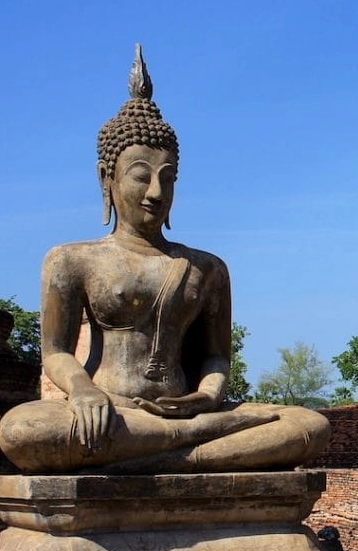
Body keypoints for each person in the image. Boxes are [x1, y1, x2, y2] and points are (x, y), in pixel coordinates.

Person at [0, 46, 329, 473]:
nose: (156, 192)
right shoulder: (71, 260)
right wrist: (82, 389)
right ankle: (192, 448)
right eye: (141, 176)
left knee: (310, 425)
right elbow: (56, 353)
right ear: (107, 177)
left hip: (188, 413)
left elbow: (215, 358)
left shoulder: (207, 268)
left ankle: (170, 449)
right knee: (21, 431)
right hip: (111, 412)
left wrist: (207, 395)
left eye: (168, 178)